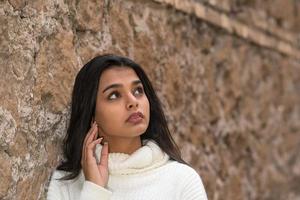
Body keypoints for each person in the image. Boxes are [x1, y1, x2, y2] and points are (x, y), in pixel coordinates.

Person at [47, 54, 208, 200]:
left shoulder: (181, 179)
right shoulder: (65, 184)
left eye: (138, 90)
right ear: (91, 114)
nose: (133, 101)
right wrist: (94, 190)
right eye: (114, 95)